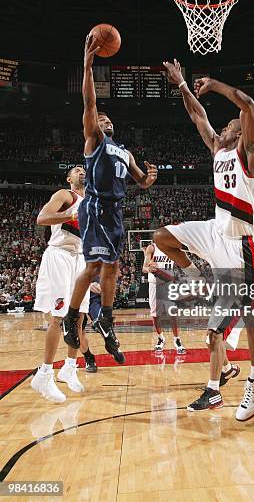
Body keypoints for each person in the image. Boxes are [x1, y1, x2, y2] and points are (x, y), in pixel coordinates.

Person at [155, 61, 254, 421]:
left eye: (231, 124)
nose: (225, 126)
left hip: (241, 244)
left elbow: (248, 104)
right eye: (225, 124)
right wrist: (183, 86)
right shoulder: (218, 150)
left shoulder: (248, 156)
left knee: (242, 319)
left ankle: (253, 379)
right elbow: (198, 117)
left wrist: (216, 84)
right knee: (161, 237)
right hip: (214, 229)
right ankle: (193, 275)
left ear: (242, 132)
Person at [62, 34, 158, 360]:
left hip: (115, 212)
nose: (104, 119)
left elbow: (140, 182)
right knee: (93, 268)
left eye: (107, 119)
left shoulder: (125, 151)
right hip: (96, 206)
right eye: (100, 119)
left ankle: (105, 317)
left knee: (112, 268)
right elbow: (89, 103)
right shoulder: (95, 140)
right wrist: (88, 65)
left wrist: (149, 178)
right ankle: (72, 315)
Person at [31, 166, 95, 402]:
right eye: (77, 170)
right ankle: (44, 374)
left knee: (79, 318)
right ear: (69, 179)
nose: (82, 171)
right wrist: (70, 215)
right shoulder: (65, 195)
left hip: (79, 259)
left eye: (83, 169)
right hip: (59, 255)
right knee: (58, 318)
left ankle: (70, 366)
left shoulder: (92, 203)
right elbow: (42, 218)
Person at [142, 242, 186, 354]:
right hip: (154, 284)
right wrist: (151, 269)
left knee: (173, 314)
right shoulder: (152, 248)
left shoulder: (172, 248)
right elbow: (144, 268)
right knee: (155, 315)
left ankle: (177, 339)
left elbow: (180, 261)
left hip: (168, 284)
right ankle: (161, 338)